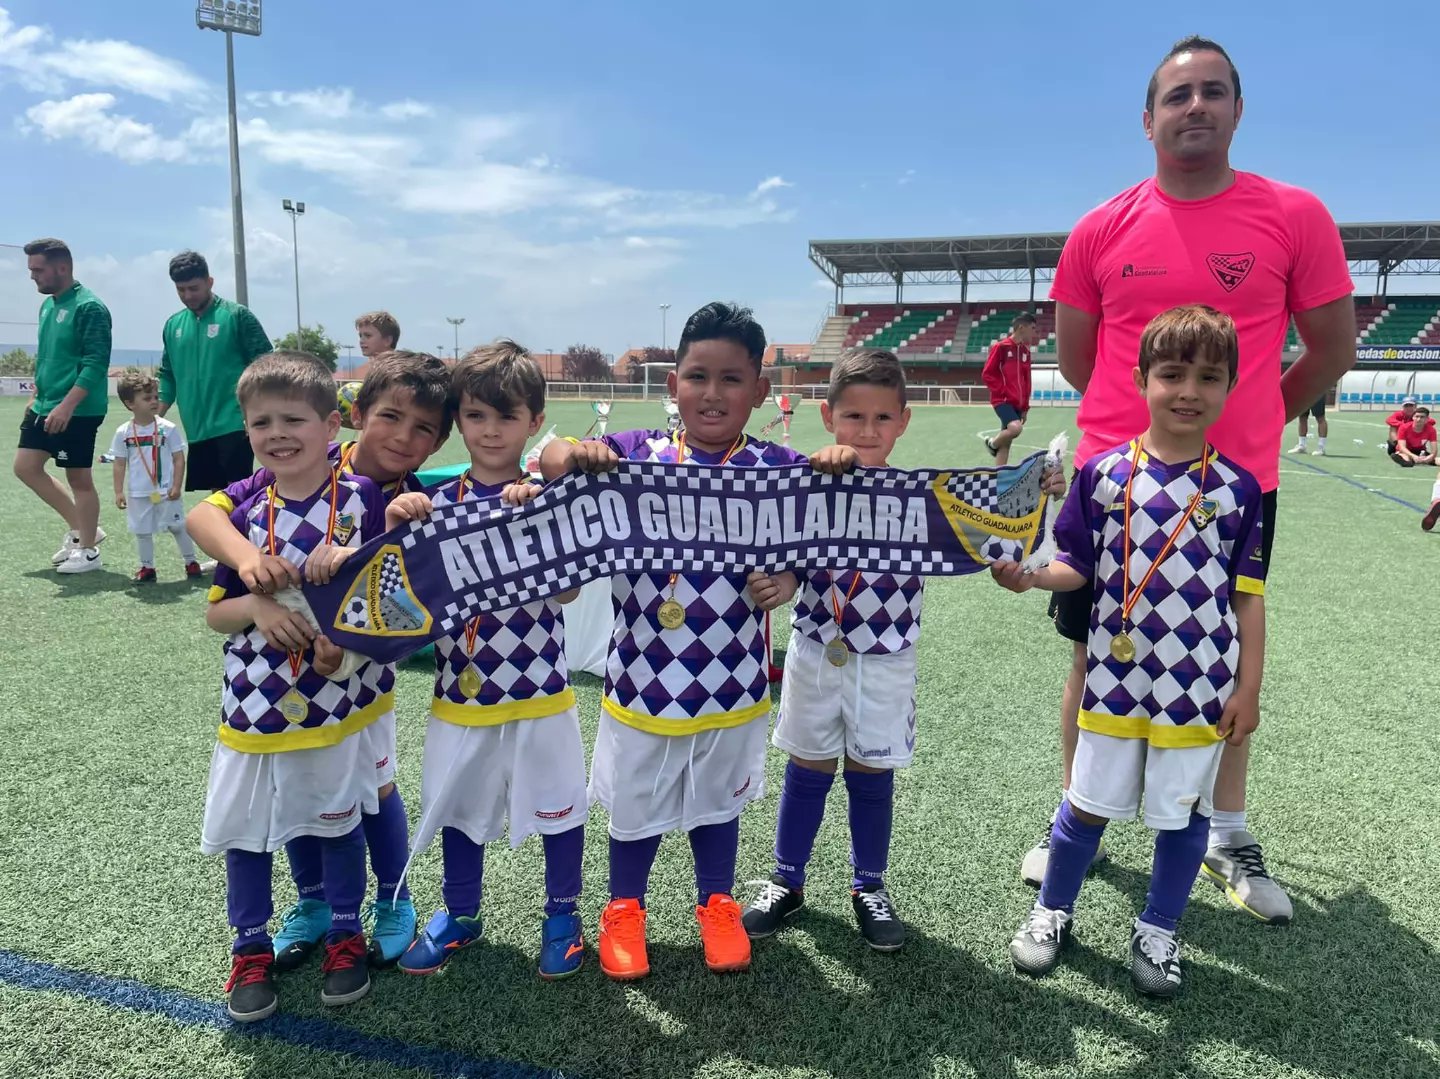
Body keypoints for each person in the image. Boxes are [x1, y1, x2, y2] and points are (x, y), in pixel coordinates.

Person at [1028, 35, 1356, 924]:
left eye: (1214, 93)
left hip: (1232, 486)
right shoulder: (1101, 225)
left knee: (1225, 656)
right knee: (1091, 650)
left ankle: (1228, 829)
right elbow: (1078, 357)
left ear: (1238, 111)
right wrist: (1127, 440)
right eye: (1178, 96)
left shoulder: (1294, 215)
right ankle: (1074, 814)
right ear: (1148, 119)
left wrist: (1254, 420)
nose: (1196, 107)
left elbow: (1333, 348)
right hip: (1115, 485)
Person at [539, 302, 855, 980]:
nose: (713, 394)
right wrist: (575, 452)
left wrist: (792, 572)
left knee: (718, 800)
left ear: (760, 392)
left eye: (732, 379)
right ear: (672, 383)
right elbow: (550, 456)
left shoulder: (778, 466)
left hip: (733, 681)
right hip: (644, 678)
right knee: (635, 803)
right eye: (697, 376)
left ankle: (716, 903)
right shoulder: (636, 452)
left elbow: (825, 512)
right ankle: (624, 908)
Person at [996, 305, 1266, 998]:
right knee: (1085, 804)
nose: (1188, 390)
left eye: (1208, 377)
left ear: (1229, 387)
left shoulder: (1238, 490)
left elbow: (1249, 599)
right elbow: (1074, 568)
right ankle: (1052, 910)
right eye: (1172, 373)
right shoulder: (1104, 474)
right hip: (1115, 678)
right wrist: (1028, 576)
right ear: (1142, 377)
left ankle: (1159, 927)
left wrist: (1249, 688)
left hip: (1199, 685)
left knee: (1184, 813)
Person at [187, 349, 453, 970]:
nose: (404, 438)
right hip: (278, 685)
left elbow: (409, 608)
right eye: (392, 417)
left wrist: (352, 646)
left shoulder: (403, 498)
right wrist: (252, 577)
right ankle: (312, 905)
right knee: (298, 784)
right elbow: (205, 515)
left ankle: (392, 896)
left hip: (357, 681)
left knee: (374, 785)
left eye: (424, 431)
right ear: (353, 417)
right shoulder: (298, 457)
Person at [391, 341, 588, 982]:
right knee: (456, 806)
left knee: (561, 806)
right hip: (460, 691)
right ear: (459, 420)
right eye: (476, 416)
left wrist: (537, 526)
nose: (491, 430)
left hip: (541, 689)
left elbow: (567, 593)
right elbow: (399, 605)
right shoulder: (432, 503)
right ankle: (461, 914)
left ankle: (563, 914)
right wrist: (402, 523)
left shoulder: (546, 501)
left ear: (534, 421)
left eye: (507, 417)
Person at [16, 238, 111, 574]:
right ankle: (86, 530)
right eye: (31, 270)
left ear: (62, 268)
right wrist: (36, 397)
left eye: (38, 270)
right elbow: (47, 358)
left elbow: (96, 364)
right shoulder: (48, 306)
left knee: (78, 478)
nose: (32, 277)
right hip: (44, 404)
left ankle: (88, 552)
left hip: (78, 409)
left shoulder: (90, 308)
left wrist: (68, 405)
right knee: (25, 467)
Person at [159, 251, 271, 492]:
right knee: (217, 494)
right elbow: (167, 374)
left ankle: (248, 530)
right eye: (181, 290)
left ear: (210, 282)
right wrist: (154, 418)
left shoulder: (236, 316)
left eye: (194, 288)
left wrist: (257, 411)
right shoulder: (172, 325)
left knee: (238, 491)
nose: (187, 295)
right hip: (196, 427)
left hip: (234, 422)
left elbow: (266, 365)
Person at [109, 370, 204, 583]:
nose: (154, 401)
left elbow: (179, 458)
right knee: (142, 531)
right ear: (130, 403)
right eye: (147, 398)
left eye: (155, 397)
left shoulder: (167, 429)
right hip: (138, 493)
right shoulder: (123, 433)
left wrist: (177, 485)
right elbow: (119, 463)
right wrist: (118, 491)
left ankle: (191, 562)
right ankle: (147, 568)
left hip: (166, 490)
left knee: (177, 526)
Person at [982, 312, 1038, 465]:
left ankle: (1000, 477)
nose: (1034, 333)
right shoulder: (1001, 347)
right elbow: (987, 374)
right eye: (1032, 328)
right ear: (1021, 327)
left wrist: (1025, 407)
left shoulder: (1026, 352)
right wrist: (1003, 392)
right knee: (1015, 429)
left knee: (1006, 444)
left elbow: (1027, 381)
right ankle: (992, 444)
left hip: (1018, 404)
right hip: (1003, 400)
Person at [1287, 391, 1330, 455]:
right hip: (1303, 391)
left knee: (1320, 418)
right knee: (1302, 417)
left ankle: (1321, 448)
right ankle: (1301, 445)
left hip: (1317, 390)